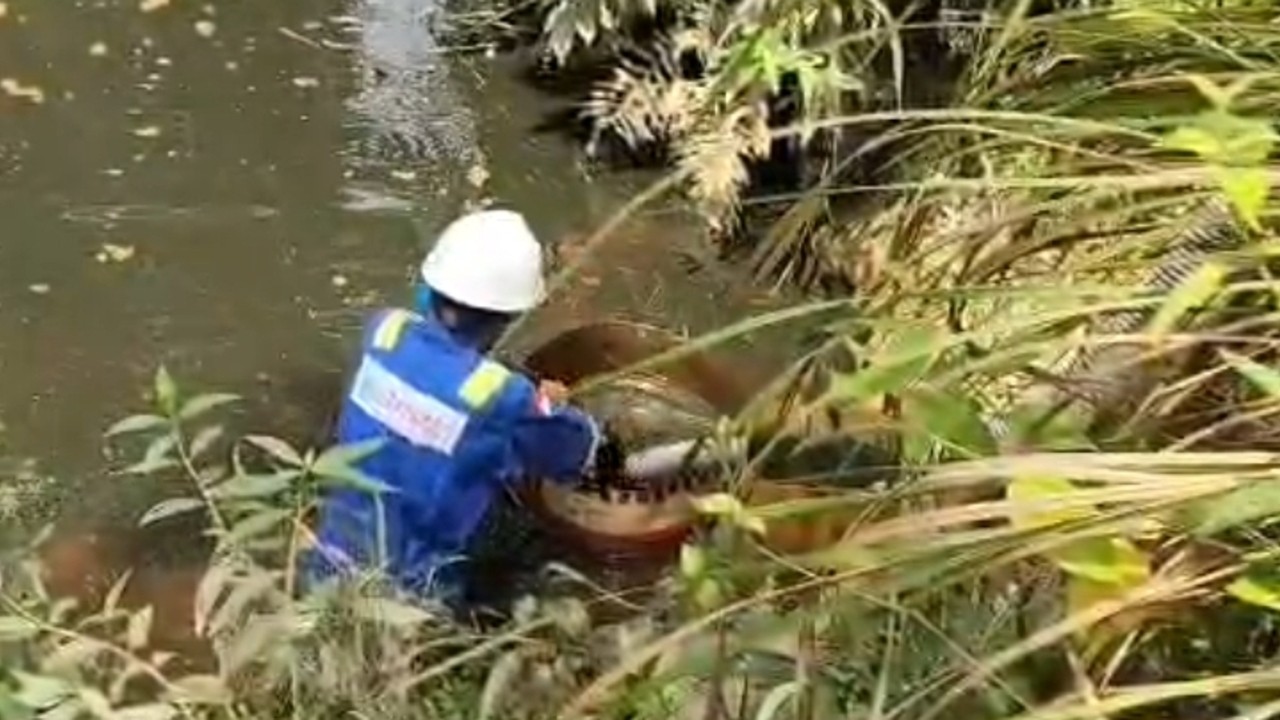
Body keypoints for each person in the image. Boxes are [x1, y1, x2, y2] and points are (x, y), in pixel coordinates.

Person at [307, 209, 616, 605]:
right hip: (411, 599)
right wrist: (552, 406)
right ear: (508, 319)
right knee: (531, 539)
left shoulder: (383, 330)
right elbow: (581, 453)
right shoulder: (503, 398)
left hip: (329, 562)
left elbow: (431, 380)